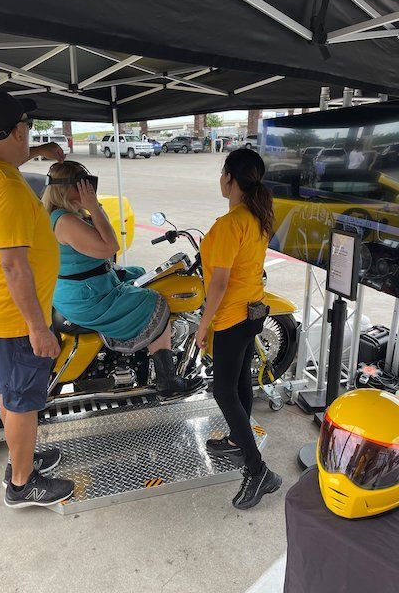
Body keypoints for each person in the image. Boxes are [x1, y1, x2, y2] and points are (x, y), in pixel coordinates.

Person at [0, 91, 75, 508]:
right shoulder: (7, 189)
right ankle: (22, 483)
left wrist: (39, 151)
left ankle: (20, 456)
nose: (31, 134)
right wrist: (38, 327)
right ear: (14, 131)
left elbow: (5, 159)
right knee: (23, 402)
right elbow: (15, 266)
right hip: (13, 319)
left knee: (11, 394)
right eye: (28, 128)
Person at [42, 160, 203, 400]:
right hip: (89, 297)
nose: (90, 189)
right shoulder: (65, 221)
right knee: (154, 302)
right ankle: (167, 380)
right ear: (69, 189)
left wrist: (92, 208)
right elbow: (110, 246)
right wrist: (94, 207)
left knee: (139, 273)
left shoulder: (66, 215)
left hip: (88, 285)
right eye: (85, 185)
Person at [196, 148, 282, 509]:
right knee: (241, 383)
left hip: (232, 317)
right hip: (254, 312)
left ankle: (258, 470)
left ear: (230, 179)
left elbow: (217, 284)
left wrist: (203, 325)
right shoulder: (257, 216)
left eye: (222, 174)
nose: (220, 180)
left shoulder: (230, 224)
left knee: (223, 391)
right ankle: (237, 438)